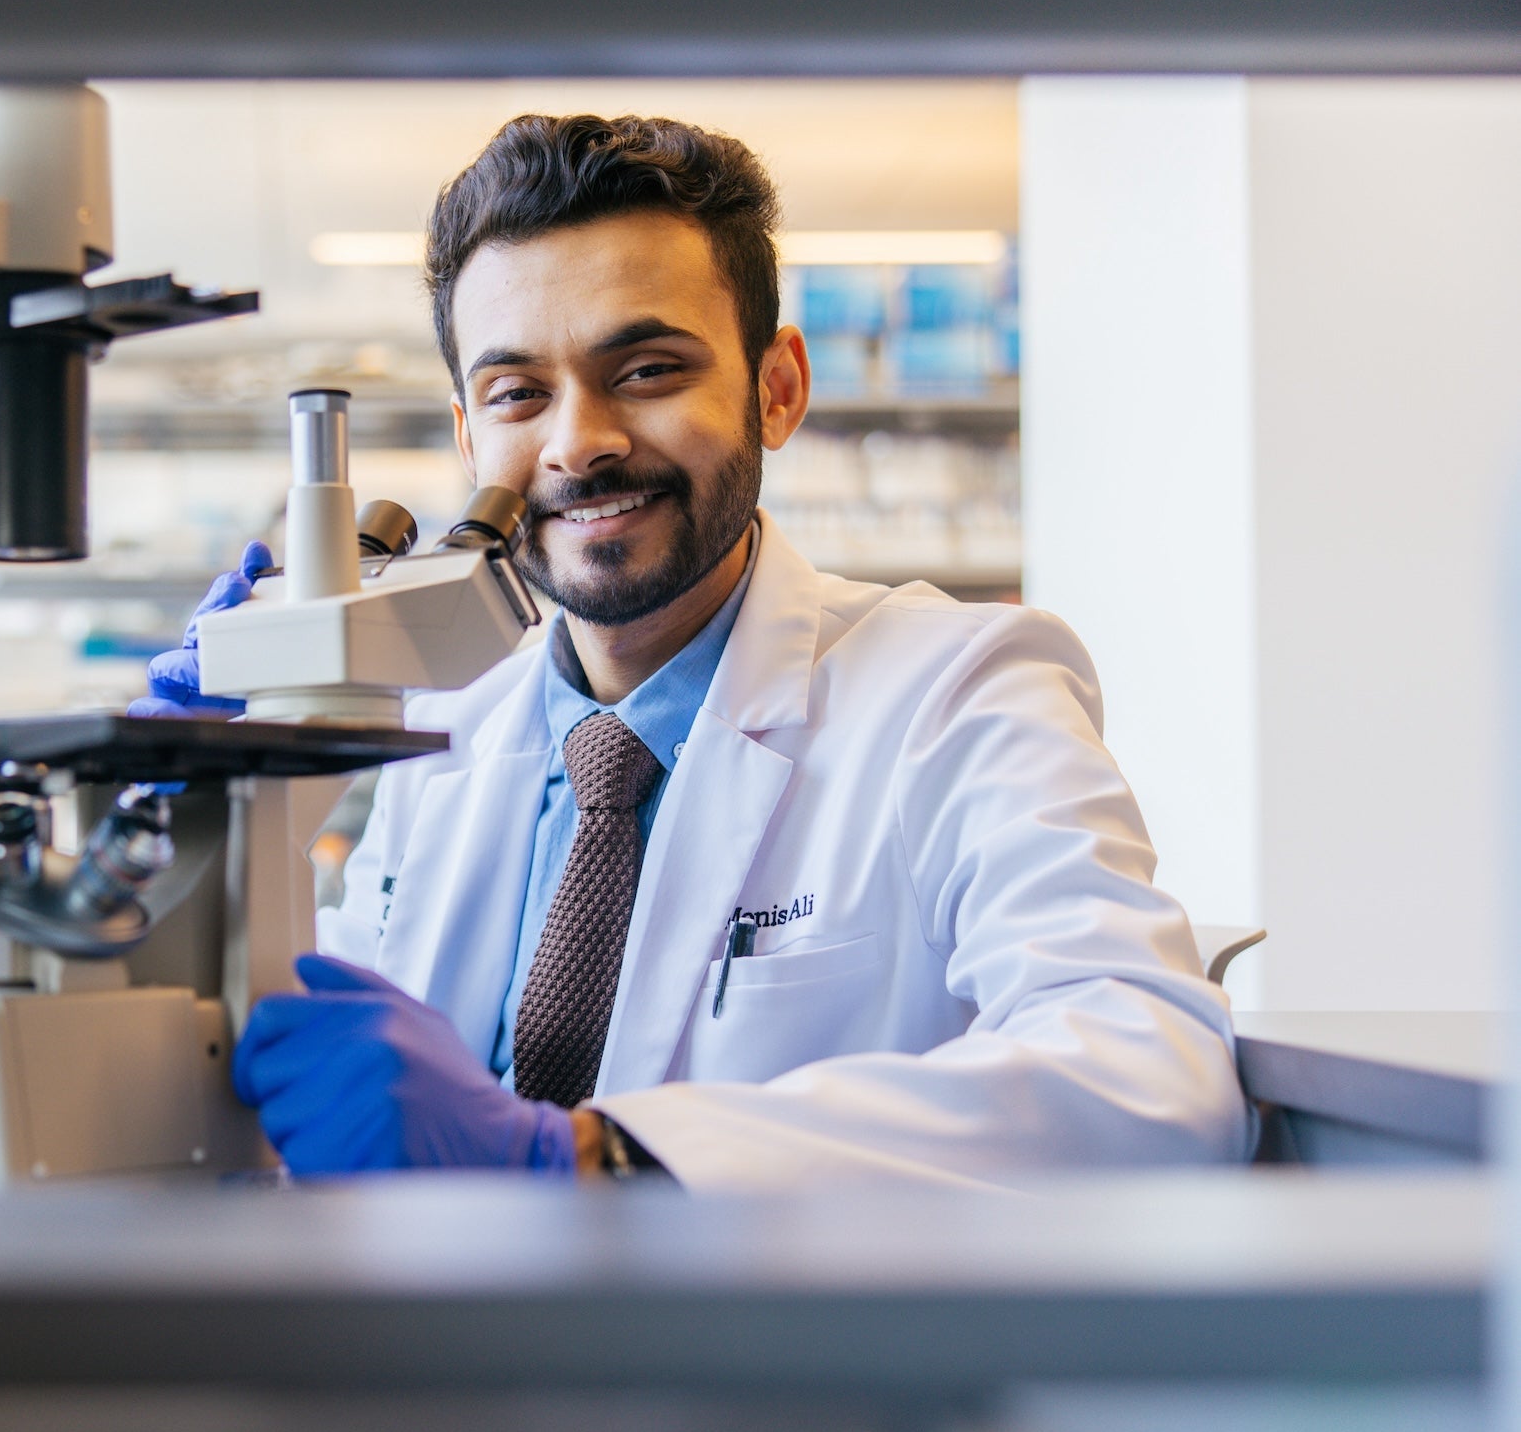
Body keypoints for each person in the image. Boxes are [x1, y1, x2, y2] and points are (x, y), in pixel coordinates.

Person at [138, 113, 1249, 1191]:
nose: (579, 442)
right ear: (469, 436)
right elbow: (311, 1059)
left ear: (776, 388)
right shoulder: (443, 740)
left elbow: (1151, 1081)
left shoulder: (955, 693)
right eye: (518, 392)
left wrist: (591, 1162)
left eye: (648, 370)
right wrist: (177, 845)